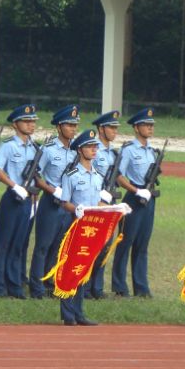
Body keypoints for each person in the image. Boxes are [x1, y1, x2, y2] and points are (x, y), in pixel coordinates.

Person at [0, 103, 40, 299]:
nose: (31, 125)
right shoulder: (8, 145)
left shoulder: (35, 148)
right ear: (16, 124)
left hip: (27, 198)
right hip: (12, 197)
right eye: (26, 121)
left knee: (19, 244)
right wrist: (13, 185)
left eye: (33, 121)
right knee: (3, 244)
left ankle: (15, 285)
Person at [30, 104, 79, 299]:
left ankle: (51, 282)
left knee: (60, 246)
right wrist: (52, 190)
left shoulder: (77, 150)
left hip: (67, 205)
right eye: (68, 125)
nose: (72, 129)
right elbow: (36, 174)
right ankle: (37, 286)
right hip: (50, 202)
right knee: (43, 245)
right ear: (59, 127)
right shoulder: (48, 149)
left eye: (75, 125)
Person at [58, 129, 104, 326]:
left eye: (95, 146)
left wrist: (114, 209)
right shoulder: (71, 174)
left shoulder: (98, 175)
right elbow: (64, 201)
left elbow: (98, 201)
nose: (94, 150)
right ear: (79, 150)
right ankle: (68, 313)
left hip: (92, 227)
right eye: (89, 146)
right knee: (71, 267)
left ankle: (79, 311)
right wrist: (76, 209)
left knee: (84, 266)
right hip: (75, 224)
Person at [113, 108, 160, 299]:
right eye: (146, 125)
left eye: (151, 125)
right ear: (136, 127)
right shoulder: (128, 150)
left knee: (142, 245)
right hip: (134, 198)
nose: (150, 128)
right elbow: (118, 175)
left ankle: (141, 288)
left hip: (149, 199)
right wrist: (135, 190)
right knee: (125, 243)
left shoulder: (153, 152)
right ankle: (119, 287)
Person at [85, 110, 121, 299]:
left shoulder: (114, 153)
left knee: (105, 244)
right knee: (92, 244)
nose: (115, 131)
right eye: (111, 127)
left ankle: (97, 288)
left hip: (110, 200)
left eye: (116, 128)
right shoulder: (92, 148)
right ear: (101, 129)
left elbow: (118, 176)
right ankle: (86, 285)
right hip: (96, 200)